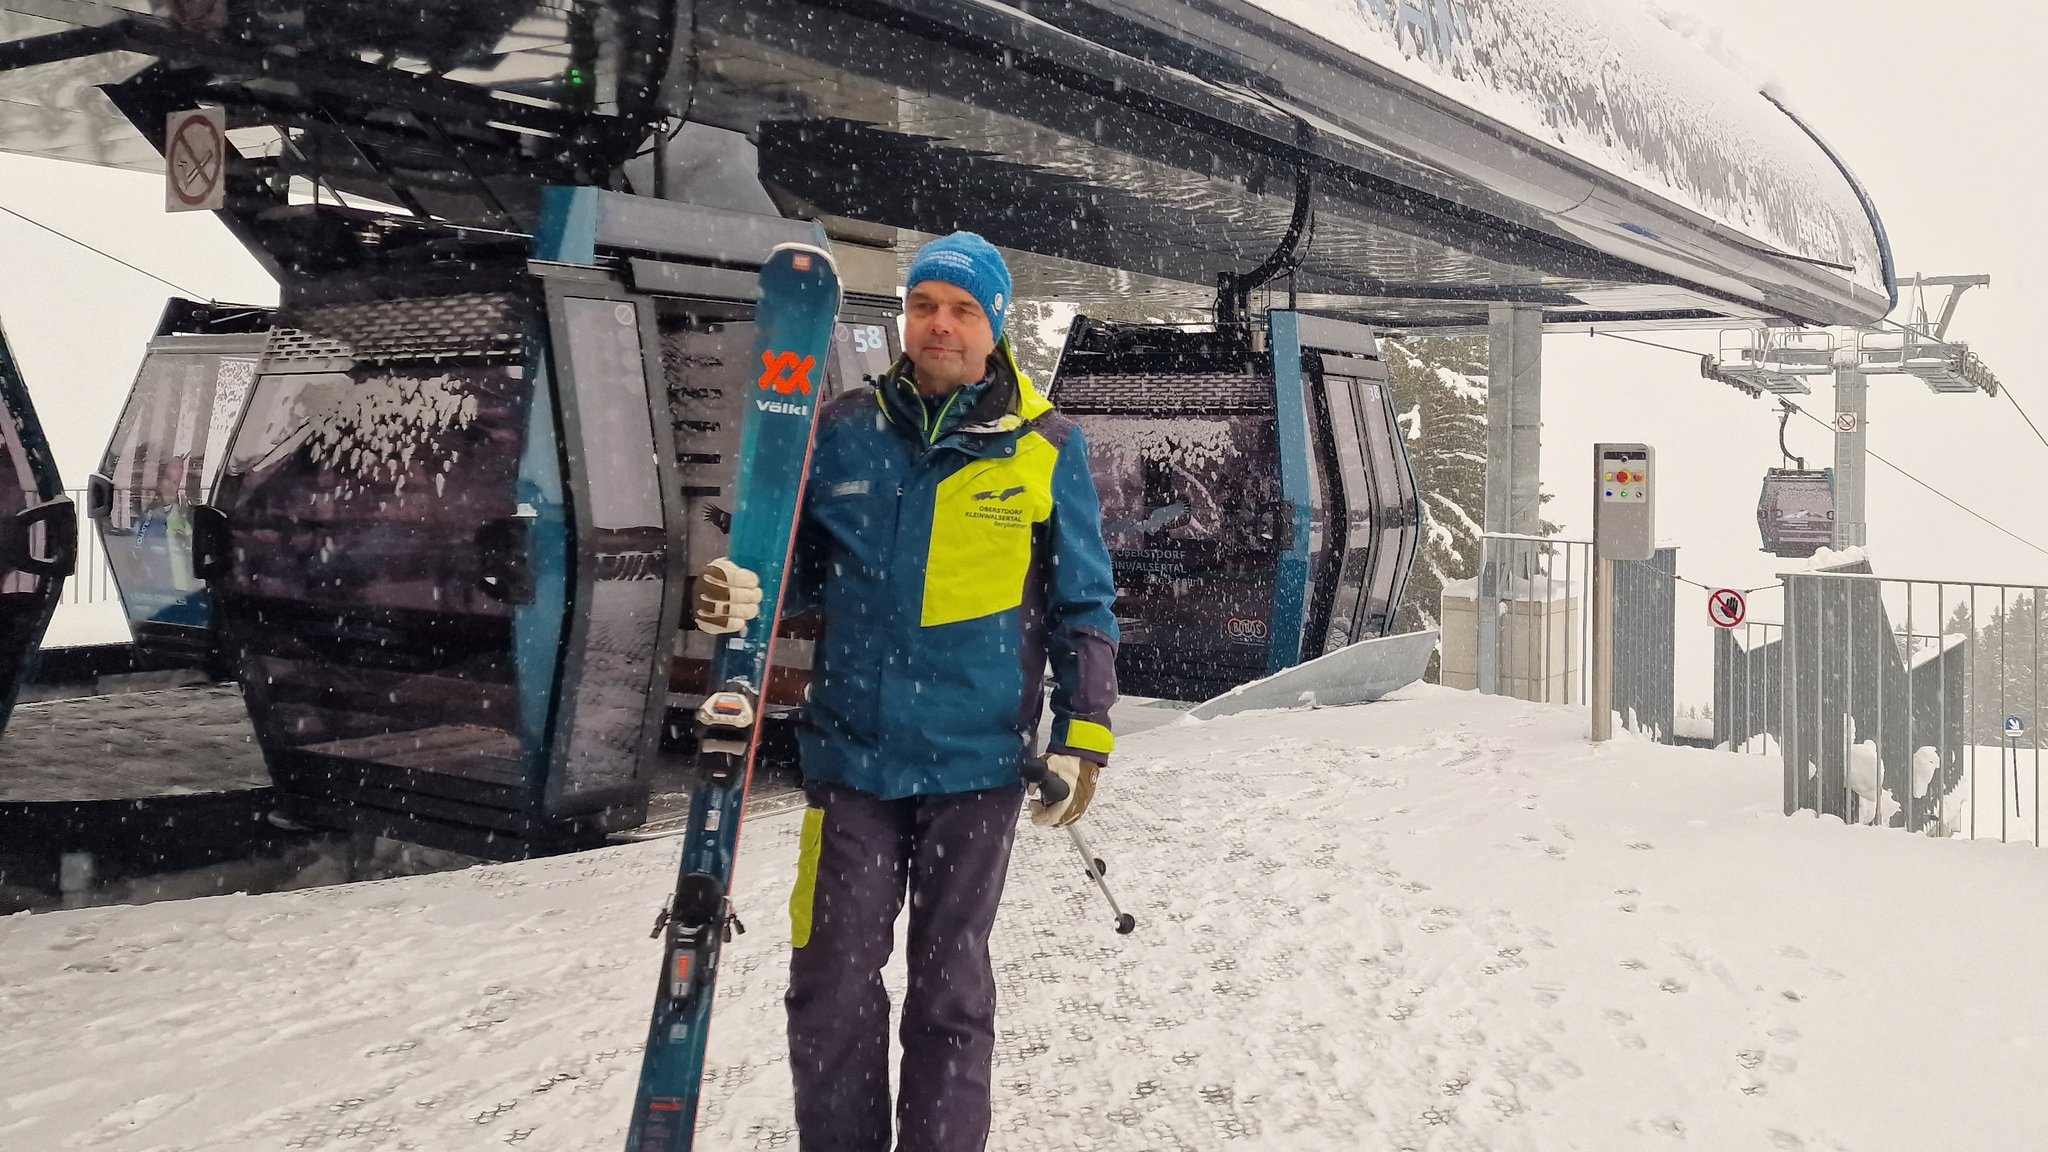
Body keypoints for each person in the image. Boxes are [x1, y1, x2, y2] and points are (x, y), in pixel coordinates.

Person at [691, 231, 1119, 1152]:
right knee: (830, 983)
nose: (941, 325)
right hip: (853, 761)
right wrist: (743, 589)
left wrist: (1086, 729)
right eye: (926, 304)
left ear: (994, 328)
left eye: (964, 310)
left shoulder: (1043, 447)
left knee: (949, 991)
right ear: (905, 318)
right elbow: (796, 567)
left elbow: (1086, 598)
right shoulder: (844, 428)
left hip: (978, 766)